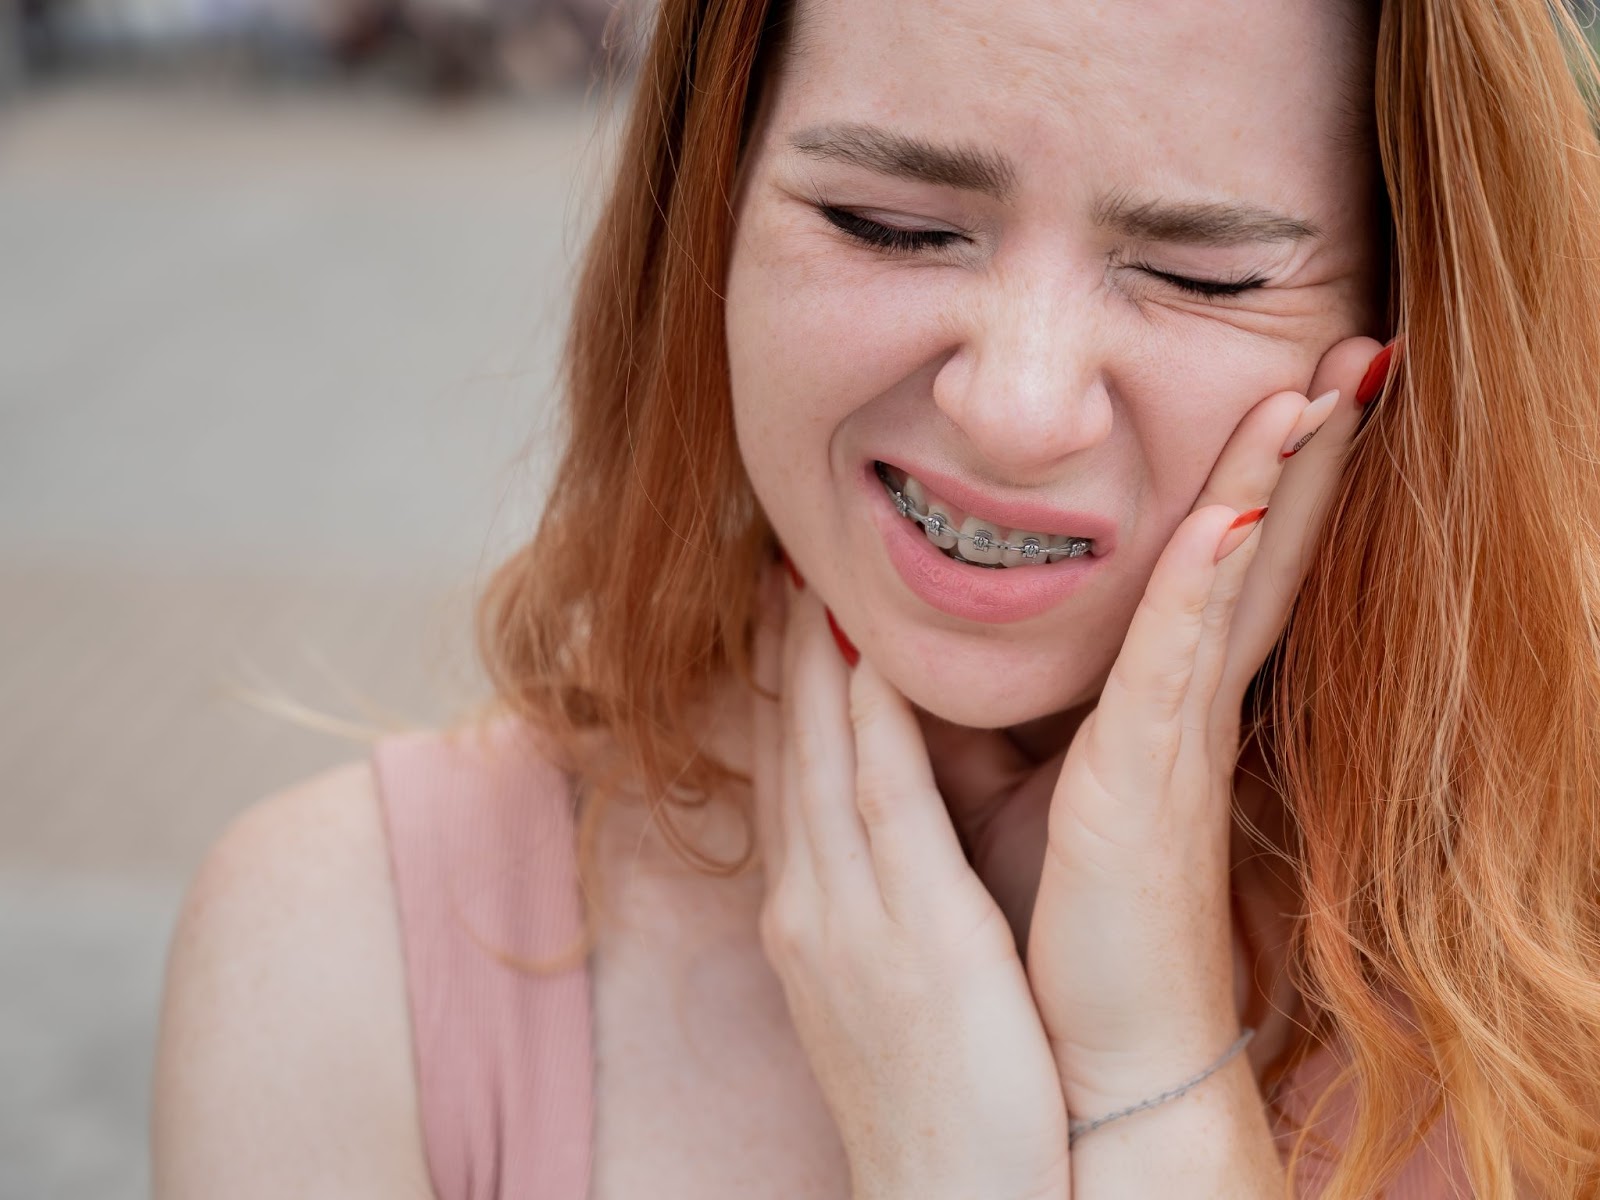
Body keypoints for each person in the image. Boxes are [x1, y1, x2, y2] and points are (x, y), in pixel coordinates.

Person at [150, 0, 1600, 1195]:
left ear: (1415, 324)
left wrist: (1152, 1101)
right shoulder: (341, 961)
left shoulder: (1564, 956)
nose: (1019, 408)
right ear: (703, 220)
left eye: (1196, 273)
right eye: (891, 225)